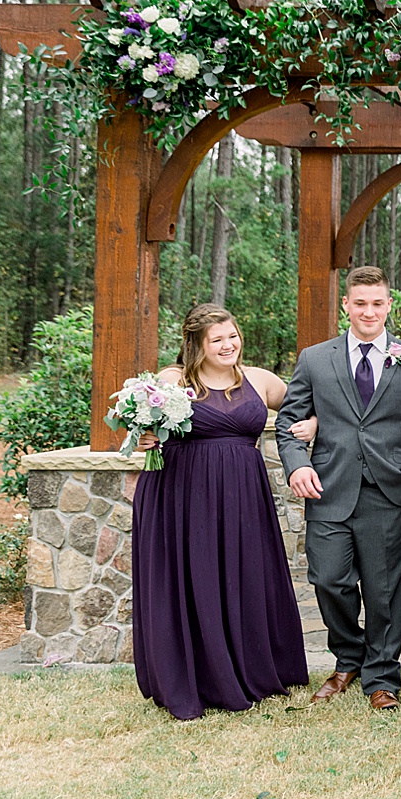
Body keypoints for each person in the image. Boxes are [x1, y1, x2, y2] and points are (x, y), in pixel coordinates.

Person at [276, 265, 401, 712]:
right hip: (329, 489)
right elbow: (289, 423)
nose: (369, 311)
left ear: (390, 305)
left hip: (389, 494)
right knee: (329, 580)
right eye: (360, 303)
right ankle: (348, 658)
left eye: (378, 303)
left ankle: (383, 676)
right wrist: (296, 466)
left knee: (385, 590)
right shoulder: (315, 358)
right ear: (346, 305)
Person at [132, 304, 310, 719]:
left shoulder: (262, 381)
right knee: (194, 581)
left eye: (233, 336)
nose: (228, 345)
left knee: (243, 577)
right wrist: (143, 435)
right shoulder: (173, 380)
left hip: (244, 498)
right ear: (197, 344)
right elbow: (147, 422)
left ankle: (251, 670)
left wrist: (313, 424)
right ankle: (199, 678)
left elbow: (310, 405)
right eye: (217, 340)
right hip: (183, 496)